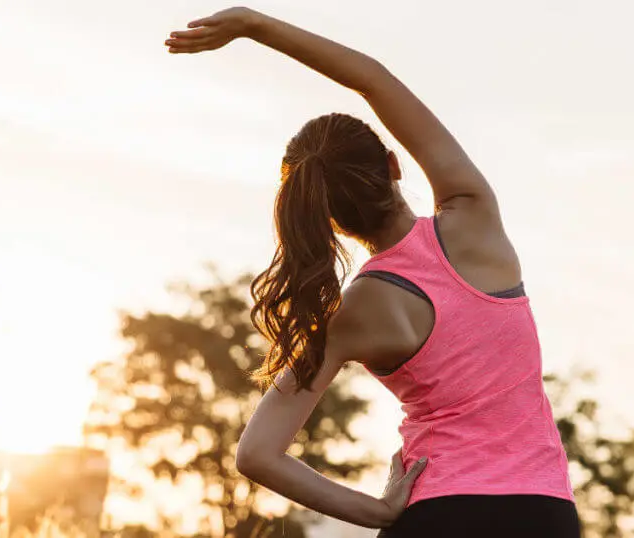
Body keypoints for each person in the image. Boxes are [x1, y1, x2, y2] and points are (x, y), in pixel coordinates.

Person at [166, 7, 580, 537]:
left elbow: (257, 454)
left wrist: (378, 512)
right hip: (541, 514)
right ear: (392, 164)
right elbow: (373, 79)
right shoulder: (473, 217)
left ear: (330, 219)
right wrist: (254, 25)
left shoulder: (352, 313)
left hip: (437, 512)